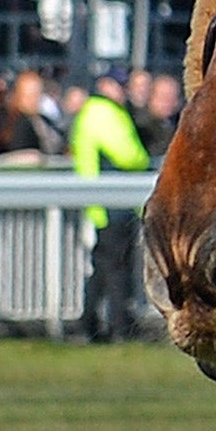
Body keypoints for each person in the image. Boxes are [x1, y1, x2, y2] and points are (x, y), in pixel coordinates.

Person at [71, 66, 150, 342]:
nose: (123, 90)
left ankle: (89, 325)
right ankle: (119, 327)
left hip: (104, 200)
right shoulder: (103, 112)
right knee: (116, 268)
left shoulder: (97, 110)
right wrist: (145, 160)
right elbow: (130, 156)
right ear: (105, 85)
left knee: (104, 267)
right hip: (110, 202)